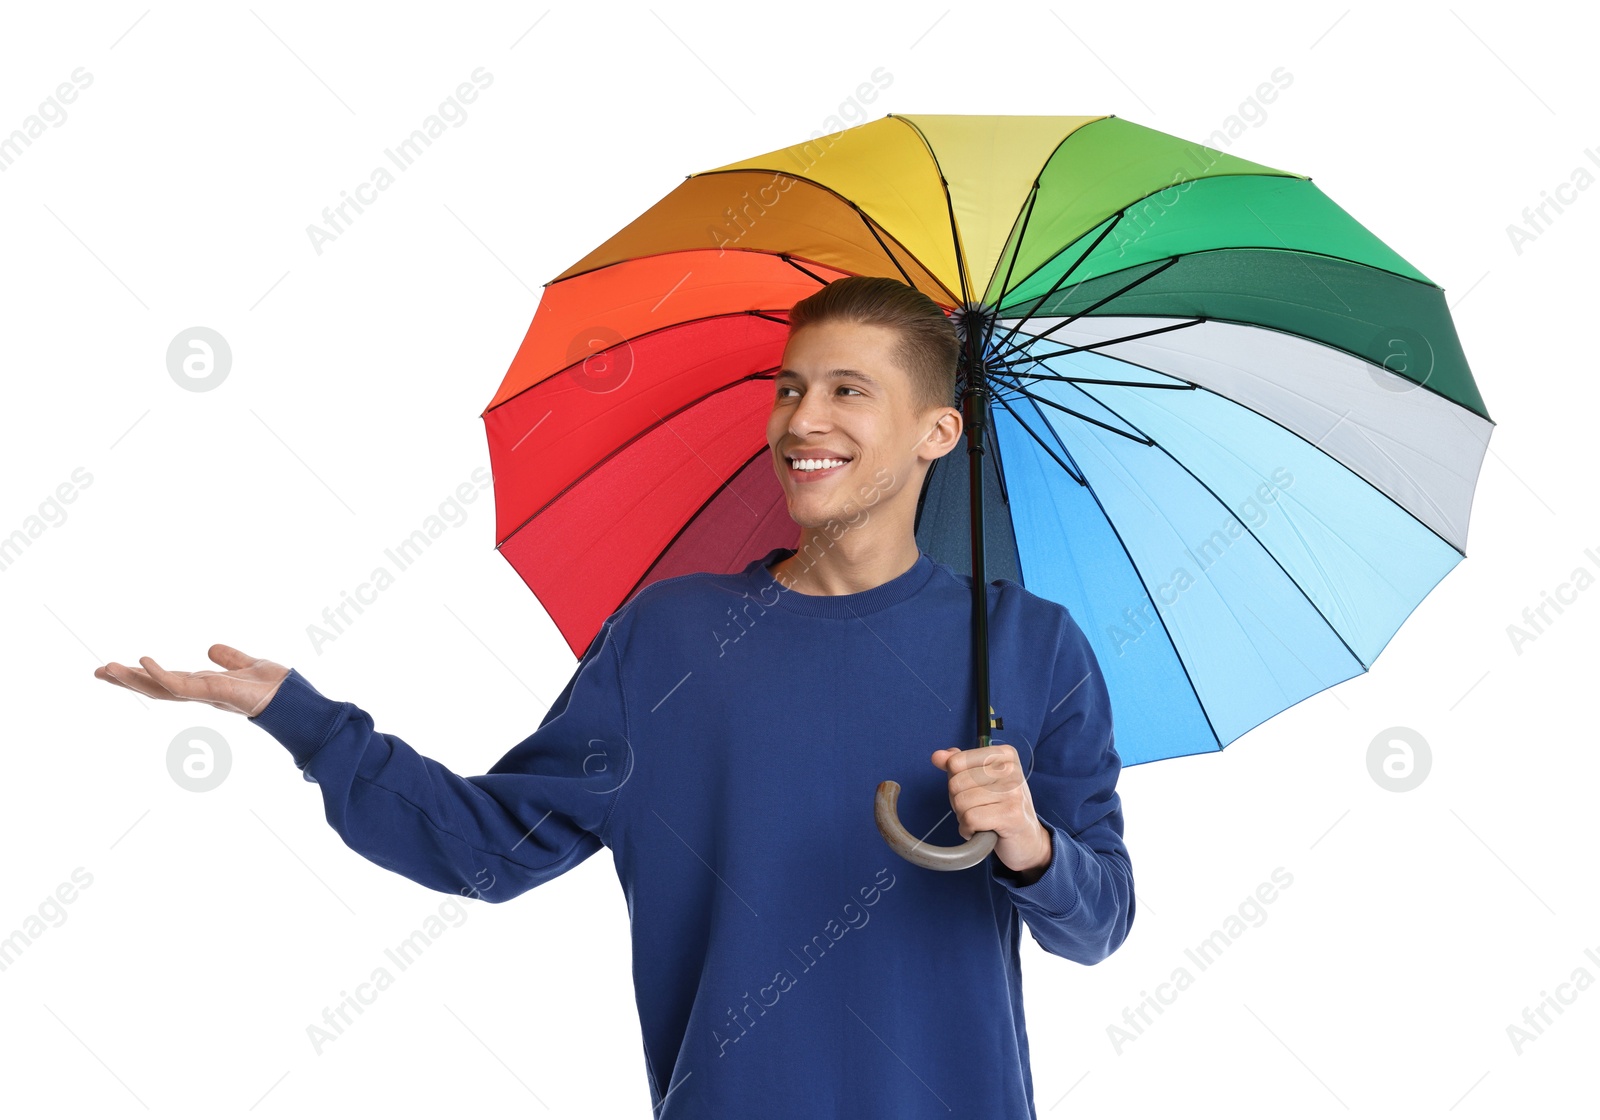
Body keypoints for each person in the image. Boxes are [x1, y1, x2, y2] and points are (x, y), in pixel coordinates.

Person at [94, 275, 1135, 1118]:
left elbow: (1100, 923)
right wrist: (304, 718)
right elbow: (490, 847)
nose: (800, 419)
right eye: (788, 387)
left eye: (847, 390)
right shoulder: (670, 637)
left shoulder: (1029, 647)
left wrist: (1032, 844)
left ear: (937, 433)